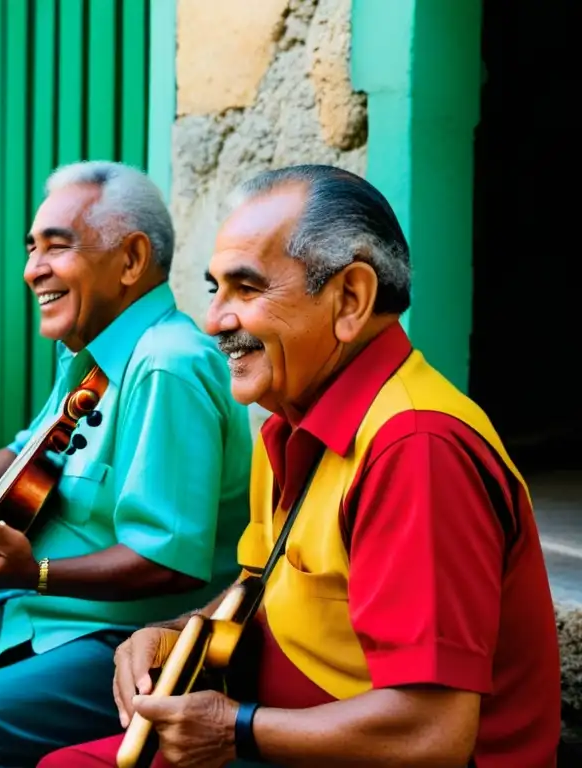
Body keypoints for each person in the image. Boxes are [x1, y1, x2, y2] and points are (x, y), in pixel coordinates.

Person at [39, 165, 562, 767]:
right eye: (216, 290)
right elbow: (257, 594)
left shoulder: (416, 448)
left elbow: (432, 732)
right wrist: (178, 633)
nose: (214, 322)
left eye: (248, 288)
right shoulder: (286, 426)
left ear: (350, 300)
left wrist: (234, 728)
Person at [0, 161, 253, 767]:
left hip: (124, 641)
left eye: (56, 247)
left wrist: (32, 574)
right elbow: (25, 448)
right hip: (43, 614)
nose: (31, 269)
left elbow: (166, 562)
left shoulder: (168, 365)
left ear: (130, 259)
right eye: (31, 248)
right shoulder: (89, 355)